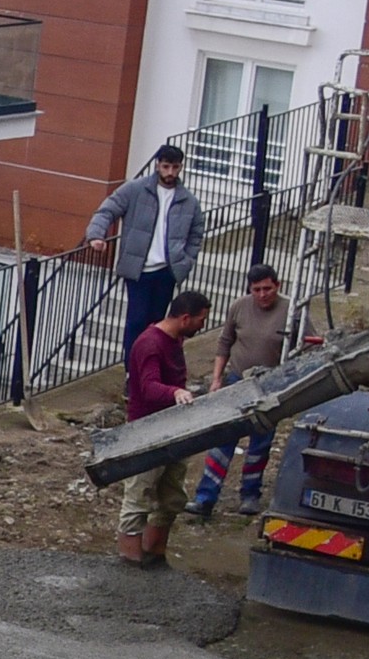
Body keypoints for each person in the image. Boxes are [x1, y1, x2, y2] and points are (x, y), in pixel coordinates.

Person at [117, 290, 213, 567]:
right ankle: (130, 560)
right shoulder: (150, 344)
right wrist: (175, 393)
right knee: (139, 494)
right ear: (185, 318)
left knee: (170, 495)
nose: (203, 325)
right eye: (201, 320)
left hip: (171, 428)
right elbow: (148, 388)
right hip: (145, 431)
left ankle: (155, 553)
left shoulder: (174, 340)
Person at [187, 263, 287, 520]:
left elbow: (305, 346)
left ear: (277, 286)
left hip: (270, 385)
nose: (263, 295)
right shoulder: (239, 307)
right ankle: (205, 497)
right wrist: (217, 379)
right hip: (237, 380)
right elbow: (225, 343)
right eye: (257, 290)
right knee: (222, 438)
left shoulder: (292, 310)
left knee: (260, 443)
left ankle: (250, 494)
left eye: (267, 289)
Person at [84, 145, 202, 362]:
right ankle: (132, 371)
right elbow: (107, 209)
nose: (170, 173)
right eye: (166, 166)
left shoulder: (189, 201)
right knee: (136, 321)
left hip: (167, 270)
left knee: (157, 324)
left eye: (175, 167)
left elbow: (196, 234)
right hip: (139, 269)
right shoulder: (135, 189)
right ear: (157, 165)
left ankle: (149, 370)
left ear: (180, 168)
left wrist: (185, 261)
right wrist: (96, 235)